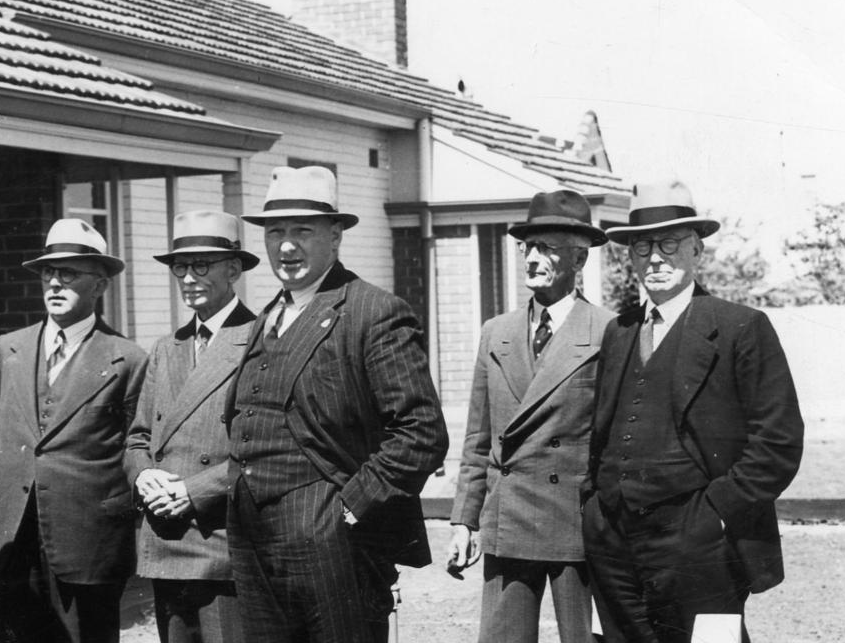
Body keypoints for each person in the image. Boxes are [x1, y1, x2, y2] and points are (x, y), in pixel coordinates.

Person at [224, 166, 448, 643]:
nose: (286, 246)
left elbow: (421, 432)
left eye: (303, 230)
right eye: (276, 231)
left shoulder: (371, 311)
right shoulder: (267, 316)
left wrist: (348, 509)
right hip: (254, 542)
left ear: (336, 235)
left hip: (333, 542)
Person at [583, 180, 804, 643]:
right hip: (616, 540)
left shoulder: (739, 327)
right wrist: (595, 511)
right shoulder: (619, 331)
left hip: (700, 541)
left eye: (669, 244)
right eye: (642, 247)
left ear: (697, 250)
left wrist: (716, 514)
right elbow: (601, 433)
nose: (655, 258)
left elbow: (778, 441)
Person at [448, 190, 613, 643]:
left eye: (548, 248)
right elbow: (478, 439)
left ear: (579, 259)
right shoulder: (495, 332)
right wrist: (464, 520)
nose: (533, 259)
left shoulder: (609, 332)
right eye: (527, 247)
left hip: (575, 525)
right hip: (508, 518)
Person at [0, 218, 147, 643]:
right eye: (48, 273)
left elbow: (136, 448)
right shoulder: (10, 348)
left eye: (69, 273)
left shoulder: (126, 359)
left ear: (101, 285)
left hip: (87, 544)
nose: (55, 283)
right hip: (15, 540)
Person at [124, 210, 260, 643]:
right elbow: (138, 437)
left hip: (222, 544)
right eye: (180, 267)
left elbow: (262, 449)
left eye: (201, 265)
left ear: (234, 269)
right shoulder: (168, 348)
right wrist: (144, 475)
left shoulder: (260, 341)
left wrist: (190, 492)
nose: (188, 277)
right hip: (167, 540)